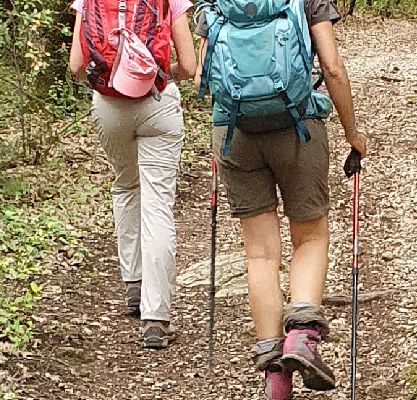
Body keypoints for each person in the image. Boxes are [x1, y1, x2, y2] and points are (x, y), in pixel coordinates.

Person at [195, 0, 367, 396]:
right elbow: (333, 68)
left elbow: (204, 74)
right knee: (309, 236)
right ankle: (302, 337)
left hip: (234, 132)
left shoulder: (215, 4)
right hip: (299, 125)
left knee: (259, 254)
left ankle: (275, 376)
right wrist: (352, 131)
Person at [67, 0, 199, 349]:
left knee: (126, 186)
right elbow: (188, 64)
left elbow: (77, 65)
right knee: (158, 206)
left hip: (109, 106)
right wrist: (153, 75)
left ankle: (133, 283)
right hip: (158, 103)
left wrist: (115, 77)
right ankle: (156, 317)